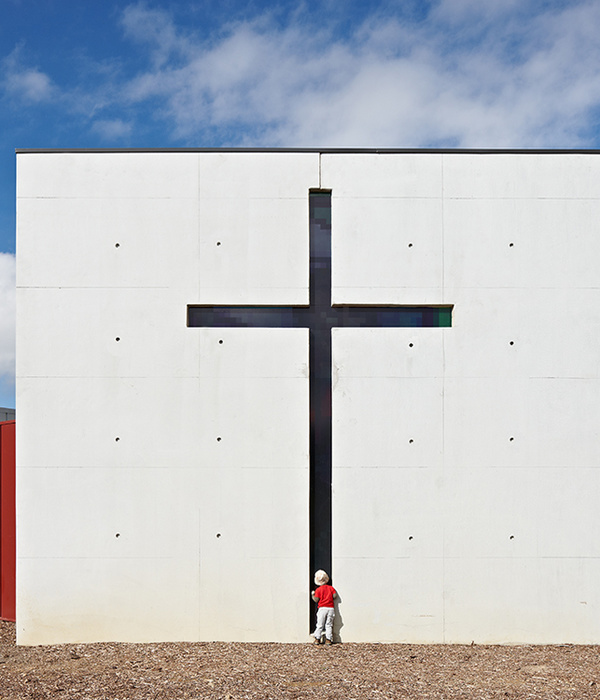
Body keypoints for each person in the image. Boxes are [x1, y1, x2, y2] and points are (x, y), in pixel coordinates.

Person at [311, 569, 337, 645]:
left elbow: (316, 600)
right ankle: (328, 640)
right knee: (329, 624)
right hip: (330, 608)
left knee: (320, 624)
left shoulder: (318, 590)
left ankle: (317, 639)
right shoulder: (331, 588)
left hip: (322, 608)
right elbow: (334, 596)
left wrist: (313, 595)